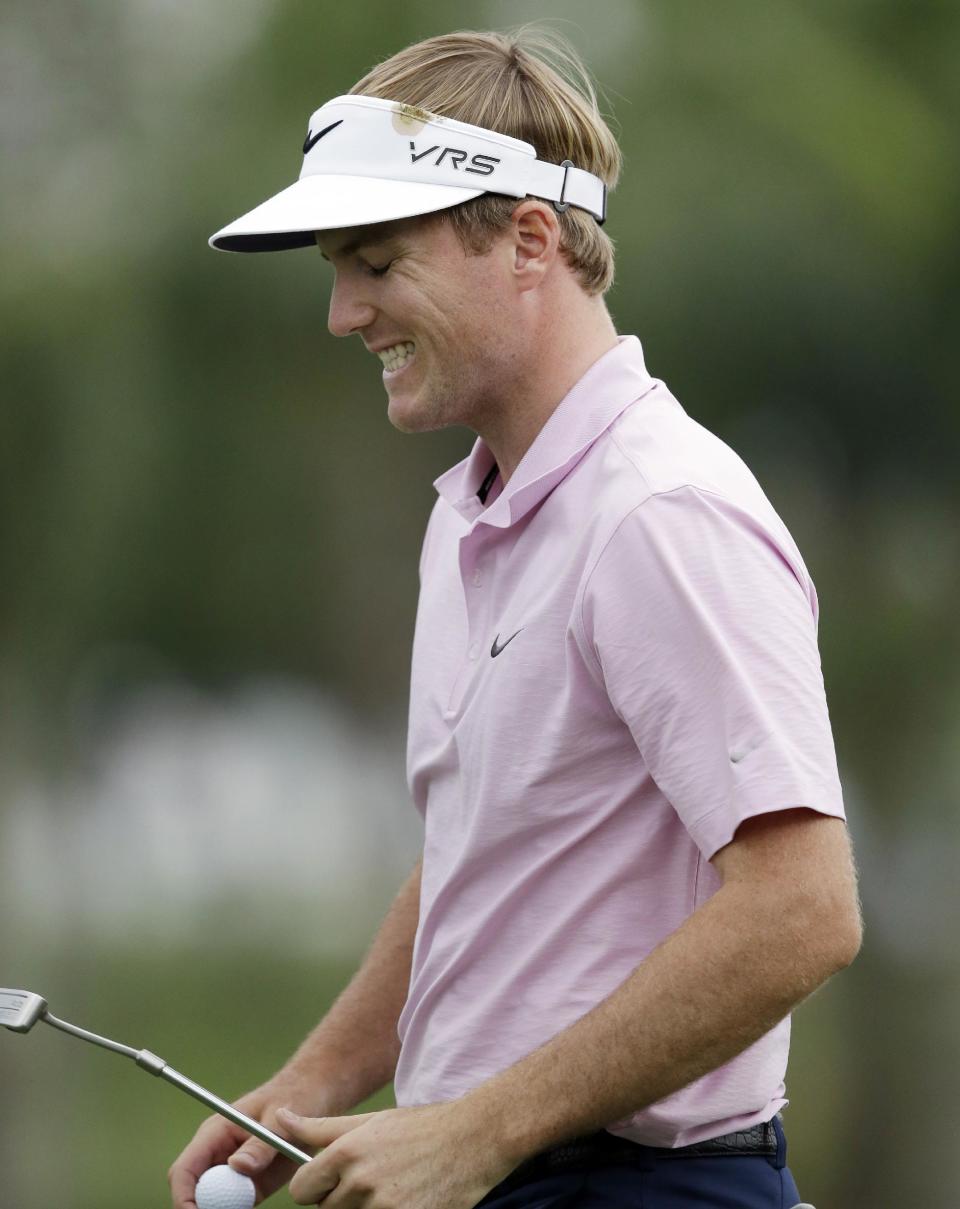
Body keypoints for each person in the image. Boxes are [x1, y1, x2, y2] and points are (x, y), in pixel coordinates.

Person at [170, 27, 861, 1209]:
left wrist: (475, 1130)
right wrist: (312, 1087)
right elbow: (491, 850)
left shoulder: (657, 514)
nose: (344, 313)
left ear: (530, 240)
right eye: (338, 268)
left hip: (643, 1190)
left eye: (378, 264)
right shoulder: (481, 511)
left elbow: (803, 911)